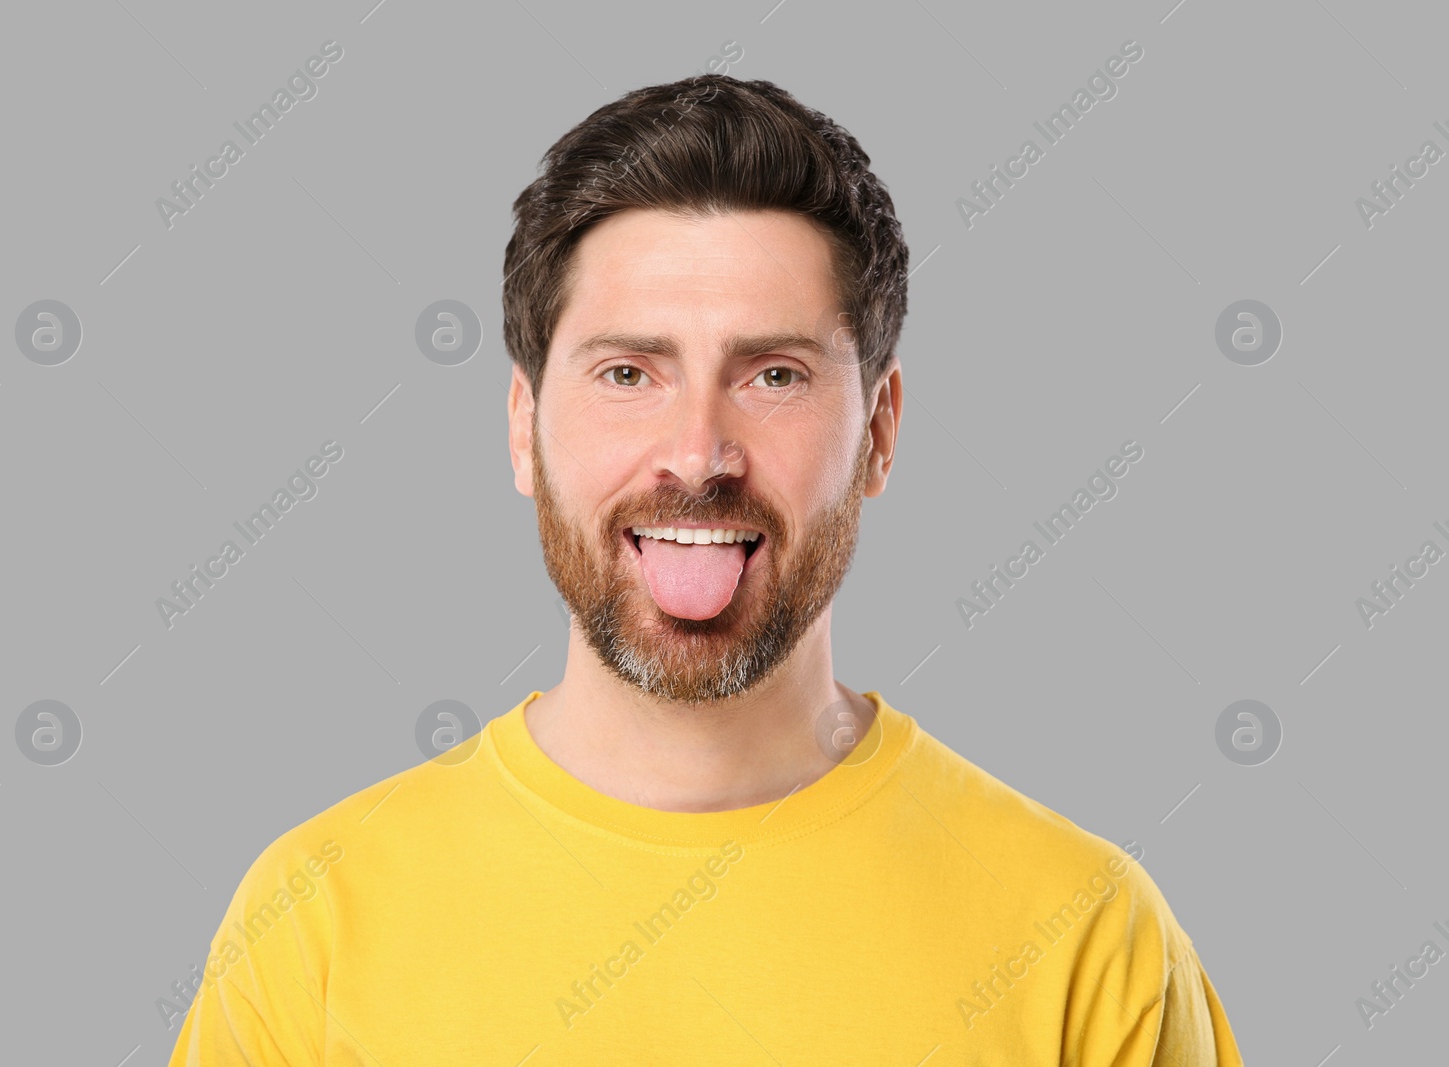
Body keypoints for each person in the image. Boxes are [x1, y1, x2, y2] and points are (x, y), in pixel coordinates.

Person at [167, 73, 1244, 1065]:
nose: (698, 451)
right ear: (521, 426)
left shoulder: (1086, 939)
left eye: (772, 374)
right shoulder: (311, 924)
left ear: (878, 430)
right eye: (628, 371)